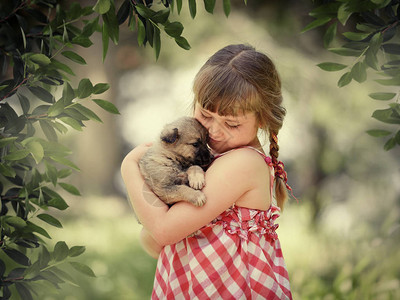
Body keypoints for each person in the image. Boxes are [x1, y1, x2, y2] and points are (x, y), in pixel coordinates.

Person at [121, 44, 293, 299]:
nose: (213, 131)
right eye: (205, 114)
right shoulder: (212, 160)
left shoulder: (243, 163)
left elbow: (163, 231)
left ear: (263, 119)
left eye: (231, 123)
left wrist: (129, 167)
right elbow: (154, 242)